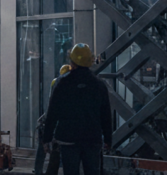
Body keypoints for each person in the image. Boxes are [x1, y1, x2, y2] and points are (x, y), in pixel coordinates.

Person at [42, 44, 112, 175]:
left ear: (72, 62)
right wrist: (108, 138)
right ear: (90, 62)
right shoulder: (99, 85)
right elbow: (105, 114)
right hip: (92, 138)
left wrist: (47, 138)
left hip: (68, 138)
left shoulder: (62, 83)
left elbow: (52, 113)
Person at [33, 64, 72, 175]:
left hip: (55, 121)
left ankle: (38, 170)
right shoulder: (66, 84)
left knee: (45, 147)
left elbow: (52, 105)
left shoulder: (57, 82)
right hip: (62, 123)